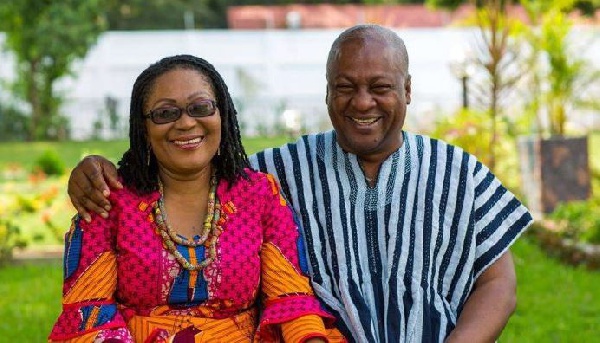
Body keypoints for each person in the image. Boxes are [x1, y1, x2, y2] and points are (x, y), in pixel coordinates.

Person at [67, 25, 533, 342]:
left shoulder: (458, 172)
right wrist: (91, 170)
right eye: (345, 86)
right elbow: (192, 164)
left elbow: (499, 284)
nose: (362, 102)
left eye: (381, 86)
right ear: (327, 91)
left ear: (407, 90)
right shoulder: (273, 175)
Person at [49, 54, 345, 343]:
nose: (186, 123)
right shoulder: (108, 200)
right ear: (144, 128)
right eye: (166, 113)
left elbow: (290, 299)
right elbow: (89, 310)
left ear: (222, 115)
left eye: (200, 107)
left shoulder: (259, 194)